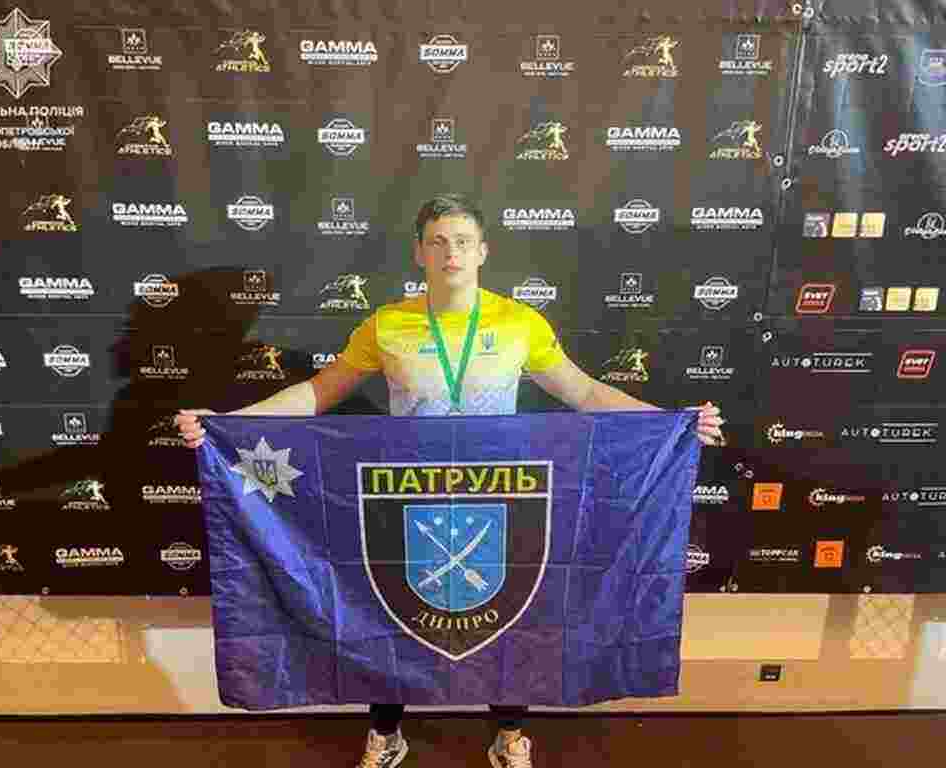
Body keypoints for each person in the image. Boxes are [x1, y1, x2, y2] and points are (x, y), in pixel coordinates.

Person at [176, 193, 724, 768]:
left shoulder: (519, 322)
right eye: (437, 242)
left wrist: (674, 422)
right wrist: (226, 423)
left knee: (512, 613)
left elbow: (585, 392)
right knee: (388, 613)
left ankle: (509, 735)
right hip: (405, 500)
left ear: (483, 251)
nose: (450, 253)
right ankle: (386, 734)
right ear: (419, 253)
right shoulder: (387, 324)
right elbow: (316, 393)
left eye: (462, 241)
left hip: (503, 499)